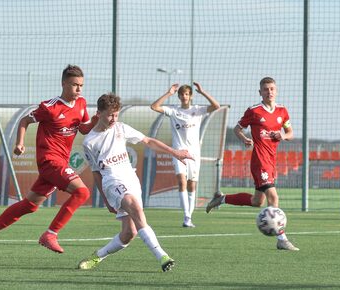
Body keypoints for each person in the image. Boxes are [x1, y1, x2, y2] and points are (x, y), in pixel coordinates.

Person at [0, 65, 98, 258]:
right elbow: (24, 121)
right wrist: (20, 143)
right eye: (75, 85)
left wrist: (95, 121)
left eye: (81, 85)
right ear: (64, 83)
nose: (79, 90)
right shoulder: (49, 107)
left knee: (30, 205)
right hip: (49, 161)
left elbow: (83, 129)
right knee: (82, 192)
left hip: (61, 162)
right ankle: (50, 234)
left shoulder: (81, 104)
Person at [78, 93, 193, 272]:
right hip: (111, 181)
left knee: (128, 234)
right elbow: (96, 172)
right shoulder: (89, 142)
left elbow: (148, 141)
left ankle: (97, 256)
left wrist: (174, 152)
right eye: (110, 115)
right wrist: (105, 199)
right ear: (99, 113)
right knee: (135, 207)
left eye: (116, 115)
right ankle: (162, 256)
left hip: (130, 179)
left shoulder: (121, 128)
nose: (113, 119)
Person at [206, 77, 299, 251]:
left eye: (272, 89)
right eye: (265, 89)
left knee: (257, 201)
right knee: (274, 197)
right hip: (259, 160)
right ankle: (282, 239)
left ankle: (222, 199)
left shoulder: (282, 111)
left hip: (272, 161)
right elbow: (237, 129)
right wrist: (244, 139)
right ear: (260, 92)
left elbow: (290, 132)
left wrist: (283, 136)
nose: (269, 92)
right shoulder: (254, 111)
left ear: (276, 90)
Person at [150, 82, 220, 227]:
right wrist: (168, 93)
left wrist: (203, 92)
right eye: (181, 94)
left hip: (194, 154)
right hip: (179, 152)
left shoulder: (198, 110)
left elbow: (216, 106)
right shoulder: (173, 111)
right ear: (179, 96)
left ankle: (189, 216)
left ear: (191, 96)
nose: (184, 97)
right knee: (181, 182)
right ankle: (187, 217)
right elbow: (154, 107)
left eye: (187, 94)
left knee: (191, 186)